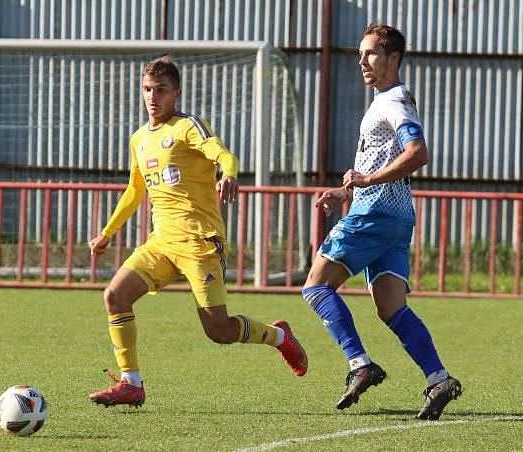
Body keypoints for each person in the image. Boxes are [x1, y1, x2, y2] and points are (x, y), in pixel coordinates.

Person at [87, 56, 308, 408]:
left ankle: (280, 336)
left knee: (218, 331)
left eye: (160, 90)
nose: (152, 97)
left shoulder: (188, 126)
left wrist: (229, 174)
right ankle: (131, 383)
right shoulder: (140, 138)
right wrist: (108, 232)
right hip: (160, 242)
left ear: (177, 93)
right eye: (147, 90)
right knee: (115, 295)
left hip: (199, 242)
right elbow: (135, 189)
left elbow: (224, 154)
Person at [302, 23, 462, 420]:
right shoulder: (387, 101)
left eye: (371, 53)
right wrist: (347, 191)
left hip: (374, 213)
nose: (362, 61)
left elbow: (418, 152)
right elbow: (388, 160)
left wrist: (367, 182)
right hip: (395, 215)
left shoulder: (393, 101)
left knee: (315, 287)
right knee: (392, 309)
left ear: (393, 58)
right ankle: (439, 378)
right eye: (360, 54)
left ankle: (360, 364)